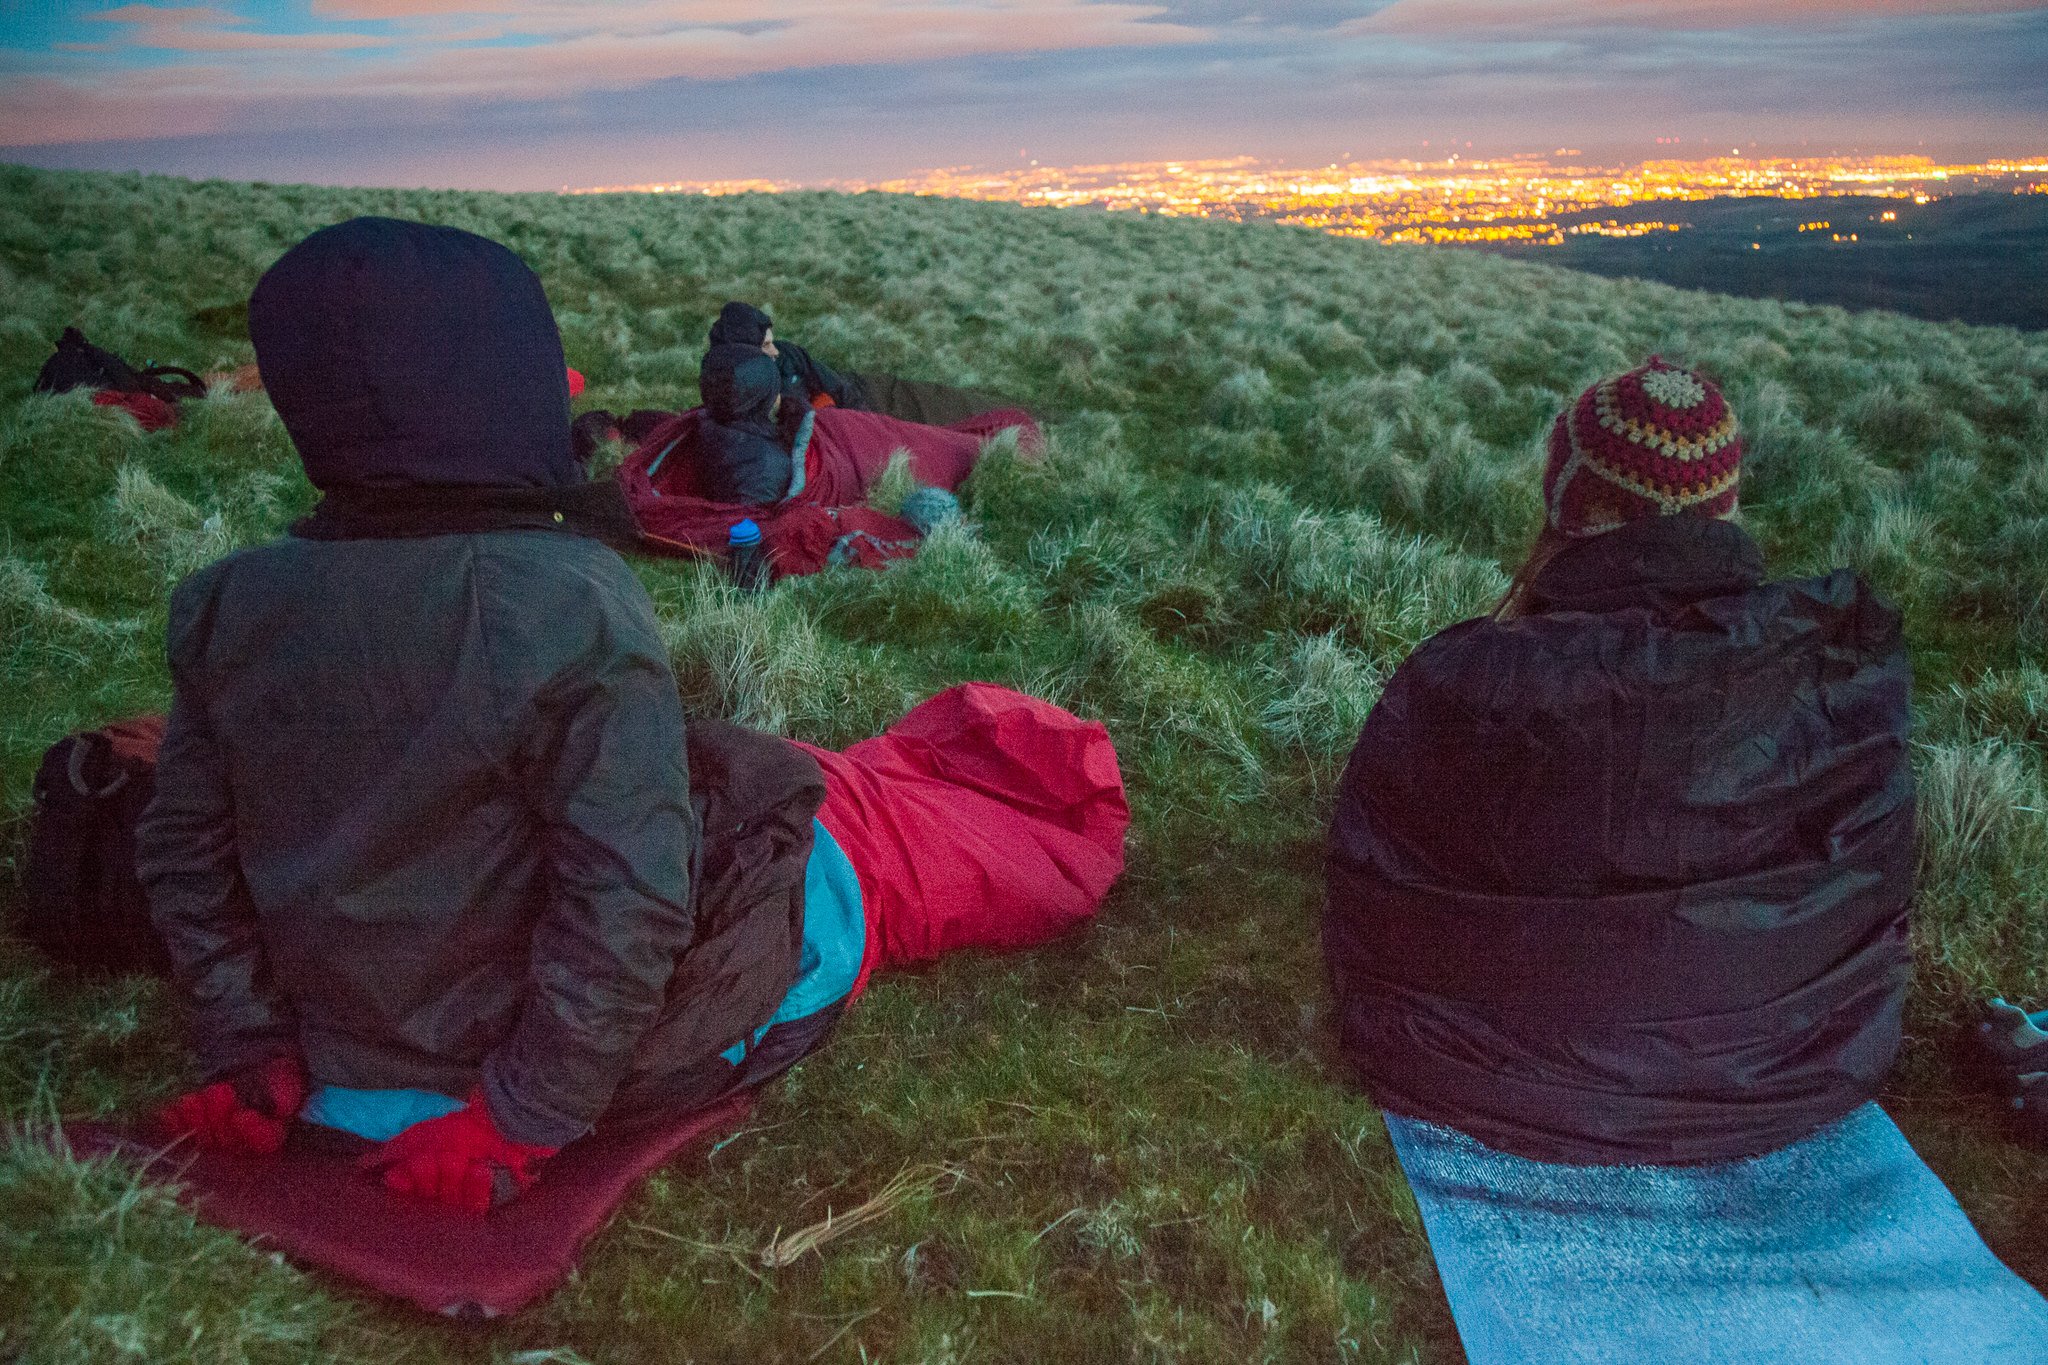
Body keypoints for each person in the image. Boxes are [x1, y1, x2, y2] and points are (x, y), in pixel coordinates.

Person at [139, 218, 1128, 1213]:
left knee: (763, 783)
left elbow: (186, 854)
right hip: (522, 1080)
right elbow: (631, 891)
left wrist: (252, 1047)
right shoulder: (565, 598)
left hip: (335, 1076)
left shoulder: (228, 603)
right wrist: (520, 1118)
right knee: (836, 852)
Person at [1322, 357, 1916, 1166]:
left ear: (1574, 506)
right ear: (1724, 511)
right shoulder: (1839, 666)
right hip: (1793, 1080)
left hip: (1470, 1078)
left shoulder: (1465, 685)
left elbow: (1369, 894)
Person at [696, 341, 810, 504]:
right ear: (758, 400)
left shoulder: (708, 423)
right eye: (775, 390)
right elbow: (755, 522)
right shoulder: (767, 466)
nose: (780, 397)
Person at [707, 300, 866, 412]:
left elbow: (840, 388)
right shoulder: (728, 390)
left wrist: (862, 420)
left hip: (855, 393)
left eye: (772, 342)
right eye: (765, 345)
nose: (775, 351)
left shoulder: (788, 354)